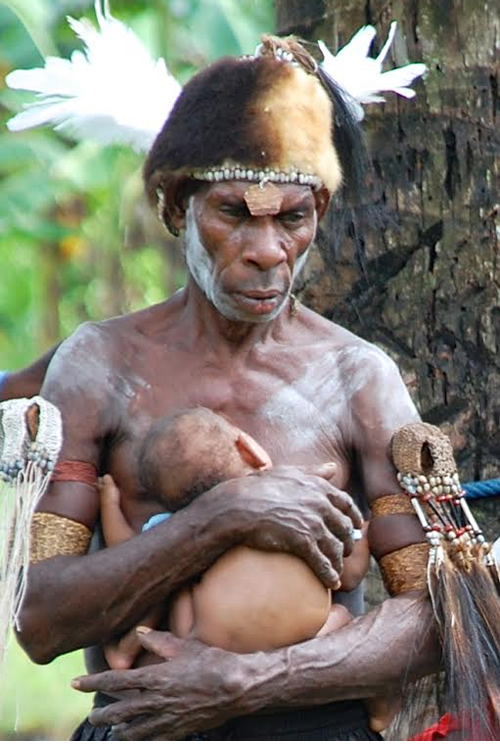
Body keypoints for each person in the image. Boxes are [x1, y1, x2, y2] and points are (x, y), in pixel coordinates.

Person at [11, 32, 438, 742]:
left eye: (291, 219)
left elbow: (434, 614)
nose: (267, 251)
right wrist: (226, 513)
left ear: (319, 216)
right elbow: (38, 618)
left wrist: (248, 683)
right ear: (177, 208)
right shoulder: (101, 366)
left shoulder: (360, 379)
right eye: (233, 214)